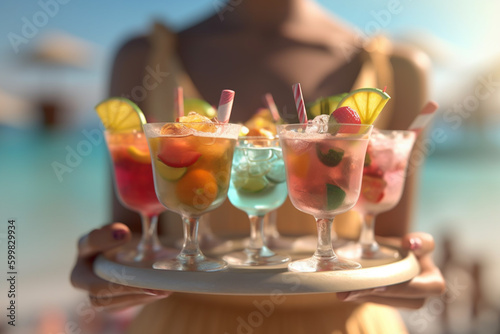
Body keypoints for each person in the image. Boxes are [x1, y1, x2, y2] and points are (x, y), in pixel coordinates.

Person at [71, 0, 446, 332]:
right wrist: (106, 263)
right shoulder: (142, 57)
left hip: (349, 324)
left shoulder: (399, 67)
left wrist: (413, 265)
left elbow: (387, 247)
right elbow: (135, 236)